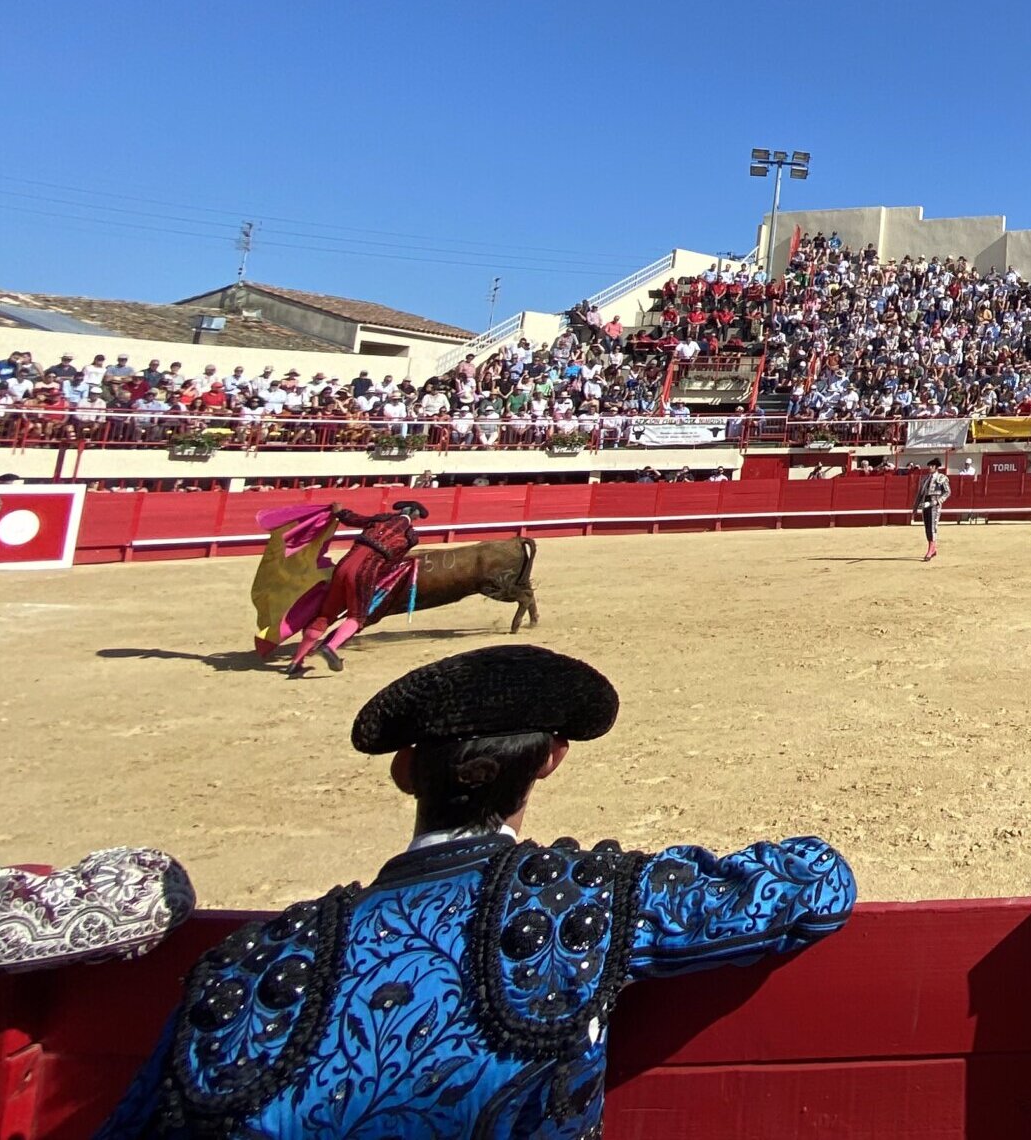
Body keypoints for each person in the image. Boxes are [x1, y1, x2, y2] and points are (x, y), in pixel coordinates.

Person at [95, 644, 854, 1140]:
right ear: (551, 760)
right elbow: (815, 883)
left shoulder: (253, 962)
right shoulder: (581, 907)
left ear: (405, 773)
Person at [281, 500, 430, 676]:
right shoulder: (410, 537)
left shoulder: (380, 519)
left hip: (343, 566)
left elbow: (353, 519)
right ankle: (330, 646)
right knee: (357, 616)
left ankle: (296, 662)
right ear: (415, 516)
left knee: (325, 614)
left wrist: (340, 512)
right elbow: (391, 563)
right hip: (364, 572)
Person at [915, 458, 951, 561]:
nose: (929, 468)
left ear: (936, 467)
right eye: (929, 466)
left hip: (935, 504)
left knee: (932, 527)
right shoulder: (925, 479)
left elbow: (947, 492)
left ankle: (930, 551)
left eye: (932, 466)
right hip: (925, 503)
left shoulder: (942, 478)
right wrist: (915, 507)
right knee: (927, 527)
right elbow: (920, 493)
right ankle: (933, 549)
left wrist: (937, 501)